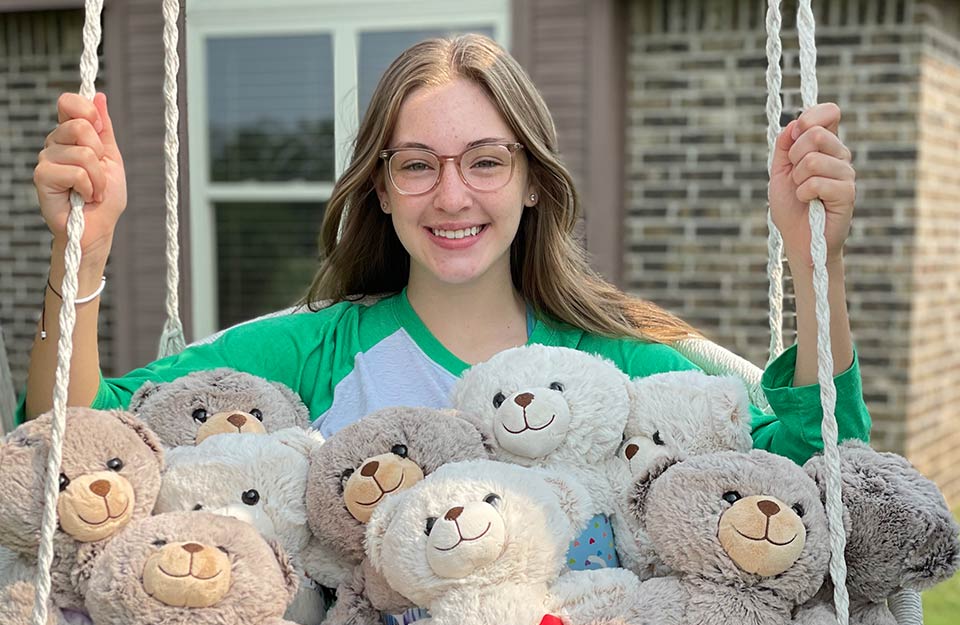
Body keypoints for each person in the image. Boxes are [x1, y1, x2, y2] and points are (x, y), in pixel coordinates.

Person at [26, 34, 867, 466]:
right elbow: (71, 442)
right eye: (418, 165)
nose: (453, 195)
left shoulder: (623, 360)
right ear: (380, 186)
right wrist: (83, 257)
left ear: (533, 180)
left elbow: (818, 468)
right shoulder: (311, 350)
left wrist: (813, 261)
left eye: (487, 162)